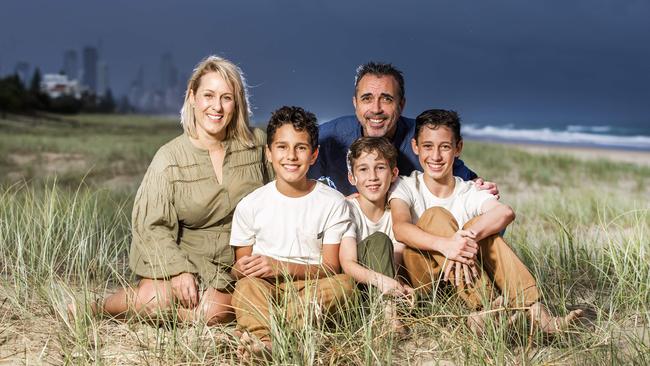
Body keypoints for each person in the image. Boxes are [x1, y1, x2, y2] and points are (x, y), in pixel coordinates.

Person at [80, 55, 272, 325]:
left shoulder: (257, 144)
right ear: (192, 97)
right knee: (153, 299)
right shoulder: (169, 157)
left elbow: (282, 193)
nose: (216, 107)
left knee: (212, 311)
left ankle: (183, 311)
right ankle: (97, 308)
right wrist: (178, 270)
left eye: (226, 98)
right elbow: (152, 225)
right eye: (208, 95)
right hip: (186, 256)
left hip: (239, 260)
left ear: (237, 102)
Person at [390, 109, 582, 335]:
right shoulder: (405, 185)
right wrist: (446, 245)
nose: (436, 156)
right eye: (428, 146)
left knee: (485, 234)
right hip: (422, 279)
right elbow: (400, 228)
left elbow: (504, 212)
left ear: (458, 148)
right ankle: (485, 307)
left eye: (445, 146)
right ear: (416, 147)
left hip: (459, 282)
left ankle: (539, 314)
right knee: (436, 215)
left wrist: (463, 239)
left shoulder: (469, 190)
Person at [229, 106, 355, 359]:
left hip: (310, 288)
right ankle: (266, 342)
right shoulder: (250, 205)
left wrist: (281, 267)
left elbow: (331, 267)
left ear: (313, 155)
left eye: (301, 147)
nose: (291, 156)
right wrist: (246, 269)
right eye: (282, 147)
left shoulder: (332, 202)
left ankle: (265, 333)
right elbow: (239, 269)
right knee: (246, 288)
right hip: (266, 288)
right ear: (269, 153)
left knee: (345, 286)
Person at [309, 61, 497, 196]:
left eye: (387, 99)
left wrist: (480, 189)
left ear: (402, 104)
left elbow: (472, 184)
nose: (376, 109)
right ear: (355, 103)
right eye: (367, 98)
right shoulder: (329, 137)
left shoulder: (424, 140)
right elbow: (290, 176)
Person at [338, 136, 414, 335]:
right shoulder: (347, 209)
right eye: (363, 169)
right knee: (380, 239)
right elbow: (347, 263)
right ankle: (389, 319)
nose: (372, 176)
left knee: (419, 291)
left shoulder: (396, 215)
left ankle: (390, 310)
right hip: (354, 285)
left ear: (394, 173)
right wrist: (382, 281)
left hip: (383, 287)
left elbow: (395, 261)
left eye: (380, 168)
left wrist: (401, 286)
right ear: (351, 178)